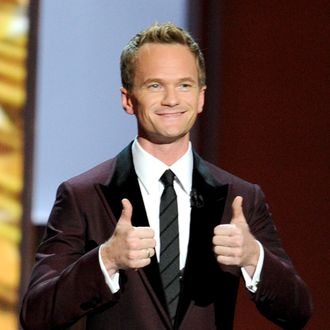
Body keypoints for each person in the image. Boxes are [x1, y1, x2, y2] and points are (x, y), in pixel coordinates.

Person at [20, 23, 312, 330]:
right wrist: (106, 259)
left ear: (200, 98)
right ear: (128, 100)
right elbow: (37, 315)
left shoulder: (239, 197)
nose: (172, 99)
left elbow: (297, 310)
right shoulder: (83, 195)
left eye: (184, 85)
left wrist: (254, 257)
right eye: (155, 86)